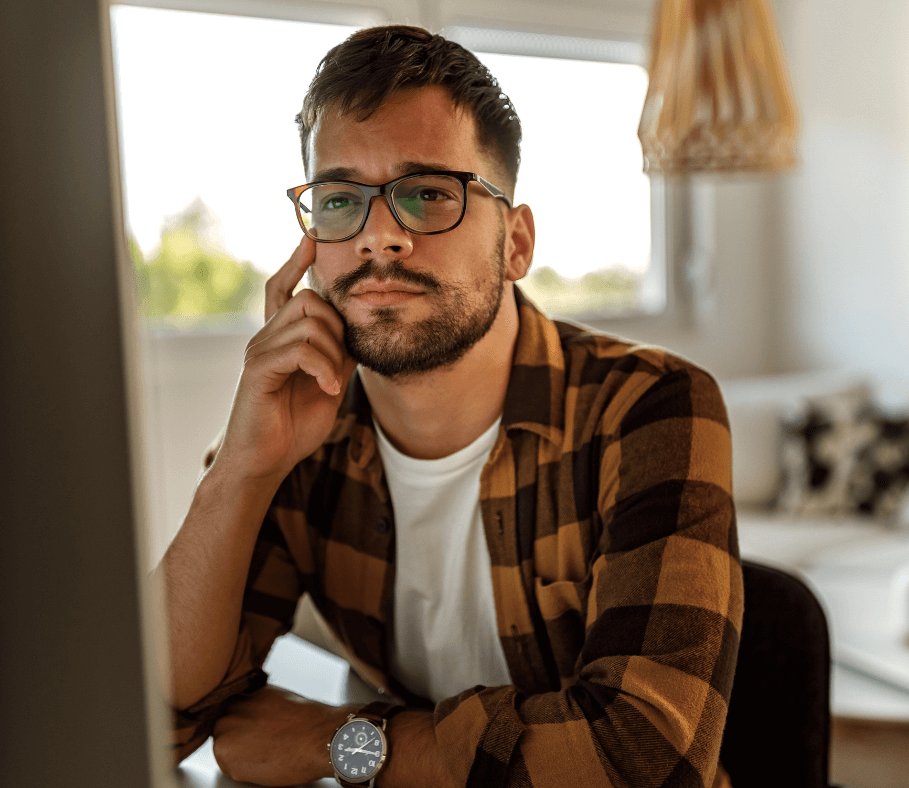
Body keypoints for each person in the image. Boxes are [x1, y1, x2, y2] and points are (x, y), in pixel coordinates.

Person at [157, 24, 742, 788]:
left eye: (429, 193)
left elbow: (644, 761)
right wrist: (240, 469)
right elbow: (158, 714)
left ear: (516, 244)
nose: (380, 239)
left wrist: (337, 743)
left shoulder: (647, 408)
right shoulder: (300, 438)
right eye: (340, 200)